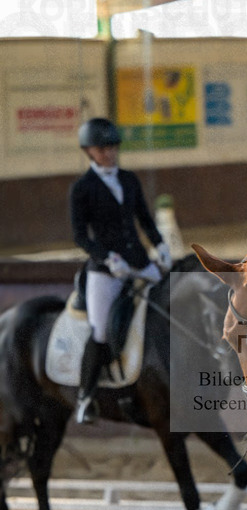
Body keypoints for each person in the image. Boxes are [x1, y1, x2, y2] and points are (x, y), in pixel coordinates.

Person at [69, 117, 173, 423]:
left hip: (140, 263)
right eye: (103, 149)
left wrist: (159, 246)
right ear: (89, 151)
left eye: (113, 147)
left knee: (170, 303)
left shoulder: (129, 179)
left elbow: (144, 218)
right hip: (105, 273)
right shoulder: (82, 188)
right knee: (100, 330)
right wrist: (106, 258)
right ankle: (85, 398)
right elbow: (80, 235)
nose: (109, 154)